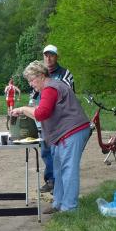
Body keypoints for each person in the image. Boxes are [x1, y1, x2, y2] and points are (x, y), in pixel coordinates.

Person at [13, 60, 89, 213]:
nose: (30, 84)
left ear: (41, 76)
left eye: (31, 80)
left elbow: (41, 114)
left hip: (72, 131)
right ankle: (58, 203)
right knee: (59, 169)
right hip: (65, 133)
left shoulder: (50, 88)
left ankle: (69, 208)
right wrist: (27, 110)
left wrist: (23, 109)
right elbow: (43, 111)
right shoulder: (52, 87)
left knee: (68, 169)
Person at [31, 45, 75, 194]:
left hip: (61, 120)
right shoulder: (39, 74)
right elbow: (33, 94)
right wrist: (32, 104)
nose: (48, 58)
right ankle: (51, 180)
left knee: (60, 152)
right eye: (46, 55)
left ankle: (60, 183)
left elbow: (68, 94)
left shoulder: (65, 73)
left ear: (57, 57)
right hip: (44, 118)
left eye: (51, 55)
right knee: (45, 150)